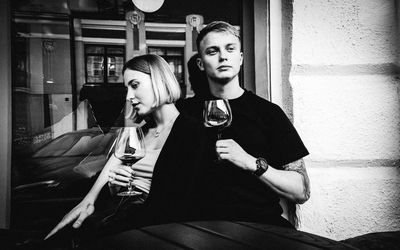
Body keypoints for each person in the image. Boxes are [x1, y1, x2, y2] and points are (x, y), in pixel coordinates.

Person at [45, 54, 205, 242]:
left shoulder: (192, 131)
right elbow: (95, 194)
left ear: (159, 82)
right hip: (120, 213)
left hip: (154, 228)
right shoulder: (138, 134)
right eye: (127, 89)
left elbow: (182, 200)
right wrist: (106, 191)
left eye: (135, 85)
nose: (129, 97)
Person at [178, 21, 310, 229]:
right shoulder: (183, 112)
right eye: (213, 51)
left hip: (260, 226)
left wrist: (250, 162)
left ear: (240, 58)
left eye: (230, 49)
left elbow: (301, 191)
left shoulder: (269, 113)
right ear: (201, 63)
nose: (223, 56)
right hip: (197, 228)